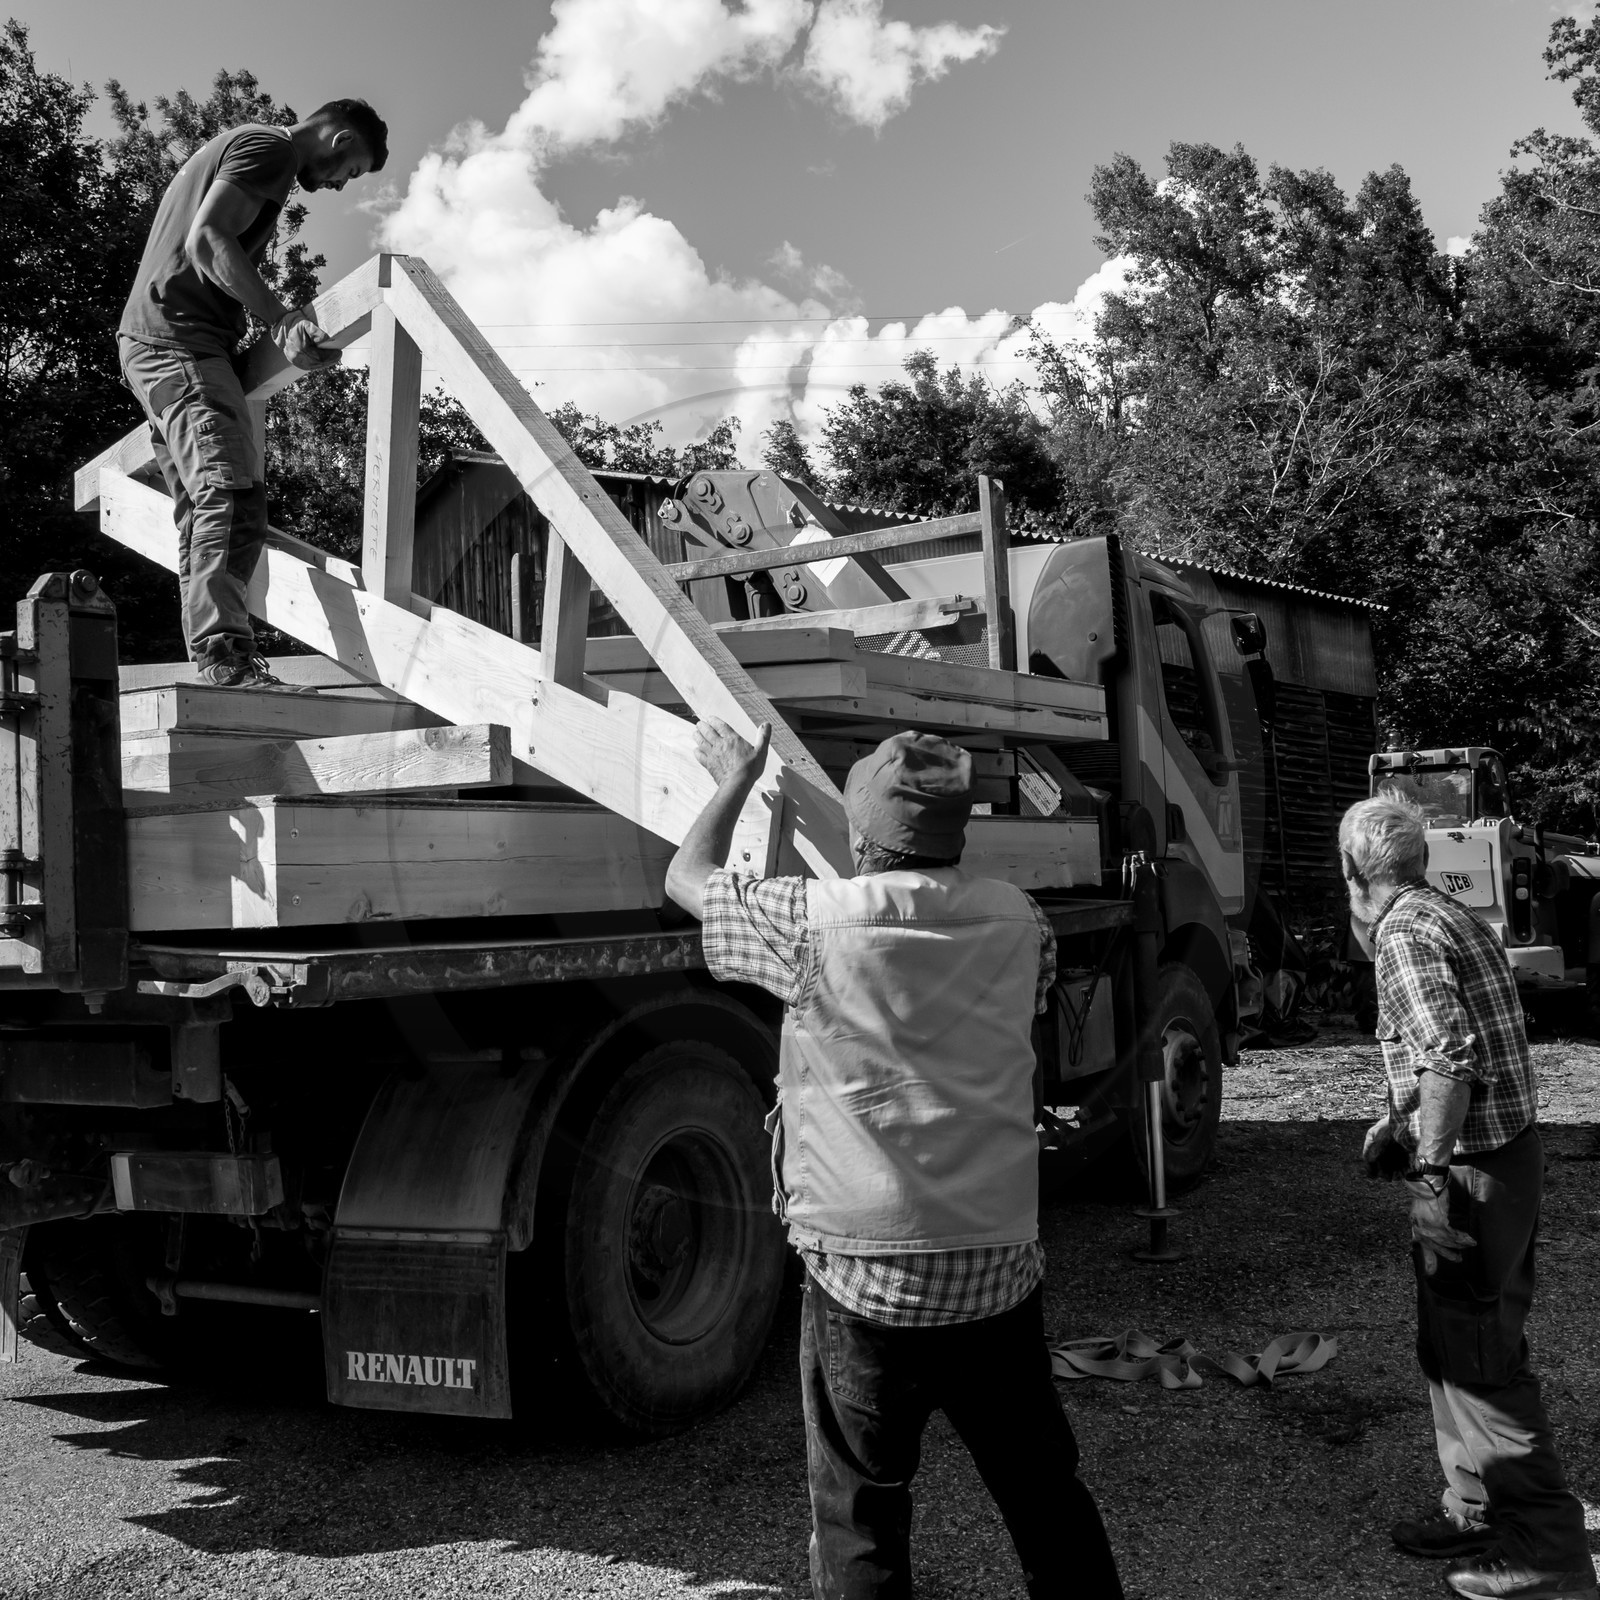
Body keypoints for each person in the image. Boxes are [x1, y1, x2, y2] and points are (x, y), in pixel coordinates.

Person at [666, 721, 1123, 1600]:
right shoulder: (1023, 921)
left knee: (862, 1514)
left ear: (863, 835)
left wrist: (733, 780)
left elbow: (686, 880)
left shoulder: (812, 921)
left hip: (862, 1276)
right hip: (996, 1264)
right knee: (1042, 1496)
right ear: (959, 831)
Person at [1341, 793, 1595, 1600]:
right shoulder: (1449, 915)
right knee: (1459, 1346)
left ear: (1353, 871)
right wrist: (1397, 1120)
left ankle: (1550, 1552)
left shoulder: (1404, 934)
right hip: (1506, 1156)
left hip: (1474, 1171)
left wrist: (1428, 1175)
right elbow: (1460, 1038)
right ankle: (1478, 1504)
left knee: (1480, 1357)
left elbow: (1450, 1056)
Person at [118, 100, 389, 688]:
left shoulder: (242, 145)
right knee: (232, 495)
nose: (343, 185)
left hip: (160, 343)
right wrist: (282, 320)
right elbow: (209, 239)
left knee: (200, 510)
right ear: (340, 141)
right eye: (355, 171)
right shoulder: (273, 149)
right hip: (179, 343)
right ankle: (224, 658)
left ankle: (217, 658)